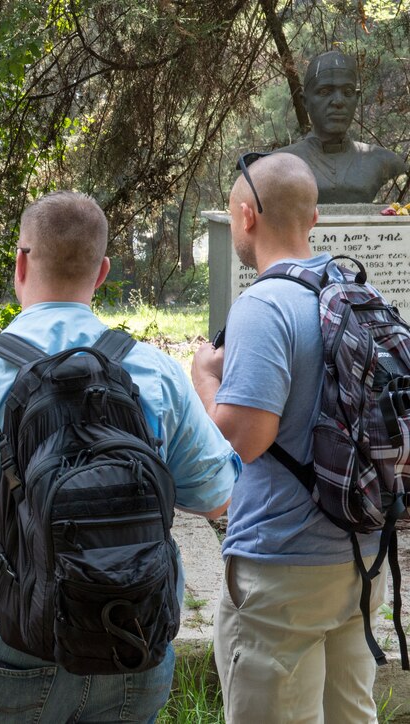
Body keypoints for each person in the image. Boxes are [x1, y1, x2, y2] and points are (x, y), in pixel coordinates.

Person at [0, 191, 237, 722]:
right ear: (103, 272)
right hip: (132, 638)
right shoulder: (156, 372)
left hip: (7, 636)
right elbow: (216, 499)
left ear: (21, 263)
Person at [192, 152, 387, 722]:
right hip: (361, 556)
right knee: (352, 712)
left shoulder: (264, 304)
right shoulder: (359, 295)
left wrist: (206, 379)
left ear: (247, 217)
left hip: (280, 569)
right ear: (315, 219)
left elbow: (248, 437)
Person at [279, 50, 404, 203]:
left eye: (347, 92)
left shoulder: (383, 160)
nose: (338, 101)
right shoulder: (277, 164)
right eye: (325, 92)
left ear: (356, 99)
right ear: (305, 101)